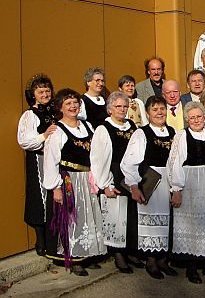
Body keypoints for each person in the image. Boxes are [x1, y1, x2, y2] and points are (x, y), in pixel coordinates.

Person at [43, 88, 106, 276]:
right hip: (69, 180)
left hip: (86, 179)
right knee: (72, 218)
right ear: (61, 107)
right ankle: (73, 256)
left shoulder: (87, 127)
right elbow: (50, 160)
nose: (73, 106)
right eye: (68, 103)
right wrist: (55, 188)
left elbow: (96, 154)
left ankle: (86, 252)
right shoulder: (57, 131)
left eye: (75, 103)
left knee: (88, 217)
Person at [167, 102, 205, 284]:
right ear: (186, 119)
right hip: (190, 184)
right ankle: (192, 267)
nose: (196, 120)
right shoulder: (181, 136)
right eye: (192, 117)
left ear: (204, 117)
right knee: (191, 223)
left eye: (199, 116)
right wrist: (176, 189)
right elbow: (174, 163)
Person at [120, 95, 177, 280]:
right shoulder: (141, 133)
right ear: (147, 113)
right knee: (151, 222)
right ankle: (151, 260)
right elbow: (129, 162)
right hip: (151, 181)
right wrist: (134, 186)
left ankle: (163, 260)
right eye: (155, 109)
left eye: (162, 109)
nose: (160, 112)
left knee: (168, 221)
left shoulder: (173, 132)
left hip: (169, 180)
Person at [90, 91, 140, 274]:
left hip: (131, 174)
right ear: (110, 109)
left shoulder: (132, 126)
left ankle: (131, 251)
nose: (122, 110)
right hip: (114, 174)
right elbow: (98, 159)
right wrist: (105, 184)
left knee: (132, 215)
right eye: (118, 106)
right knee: (117, 216)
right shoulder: (104, 129)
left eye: (125, 106)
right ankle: (118, 253)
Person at [17, 73, 58, 257]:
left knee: (54, 197)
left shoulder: (54, 111)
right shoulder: (30, 115)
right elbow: (25, 141)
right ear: (33, 94)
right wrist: (44, 136)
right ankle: (41, 239)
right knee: (39, 197)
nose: (45, 94)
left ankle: (54, 239)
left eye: (47, 90)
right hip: (38, 159)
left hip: (54, 159)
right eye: (40, 91)